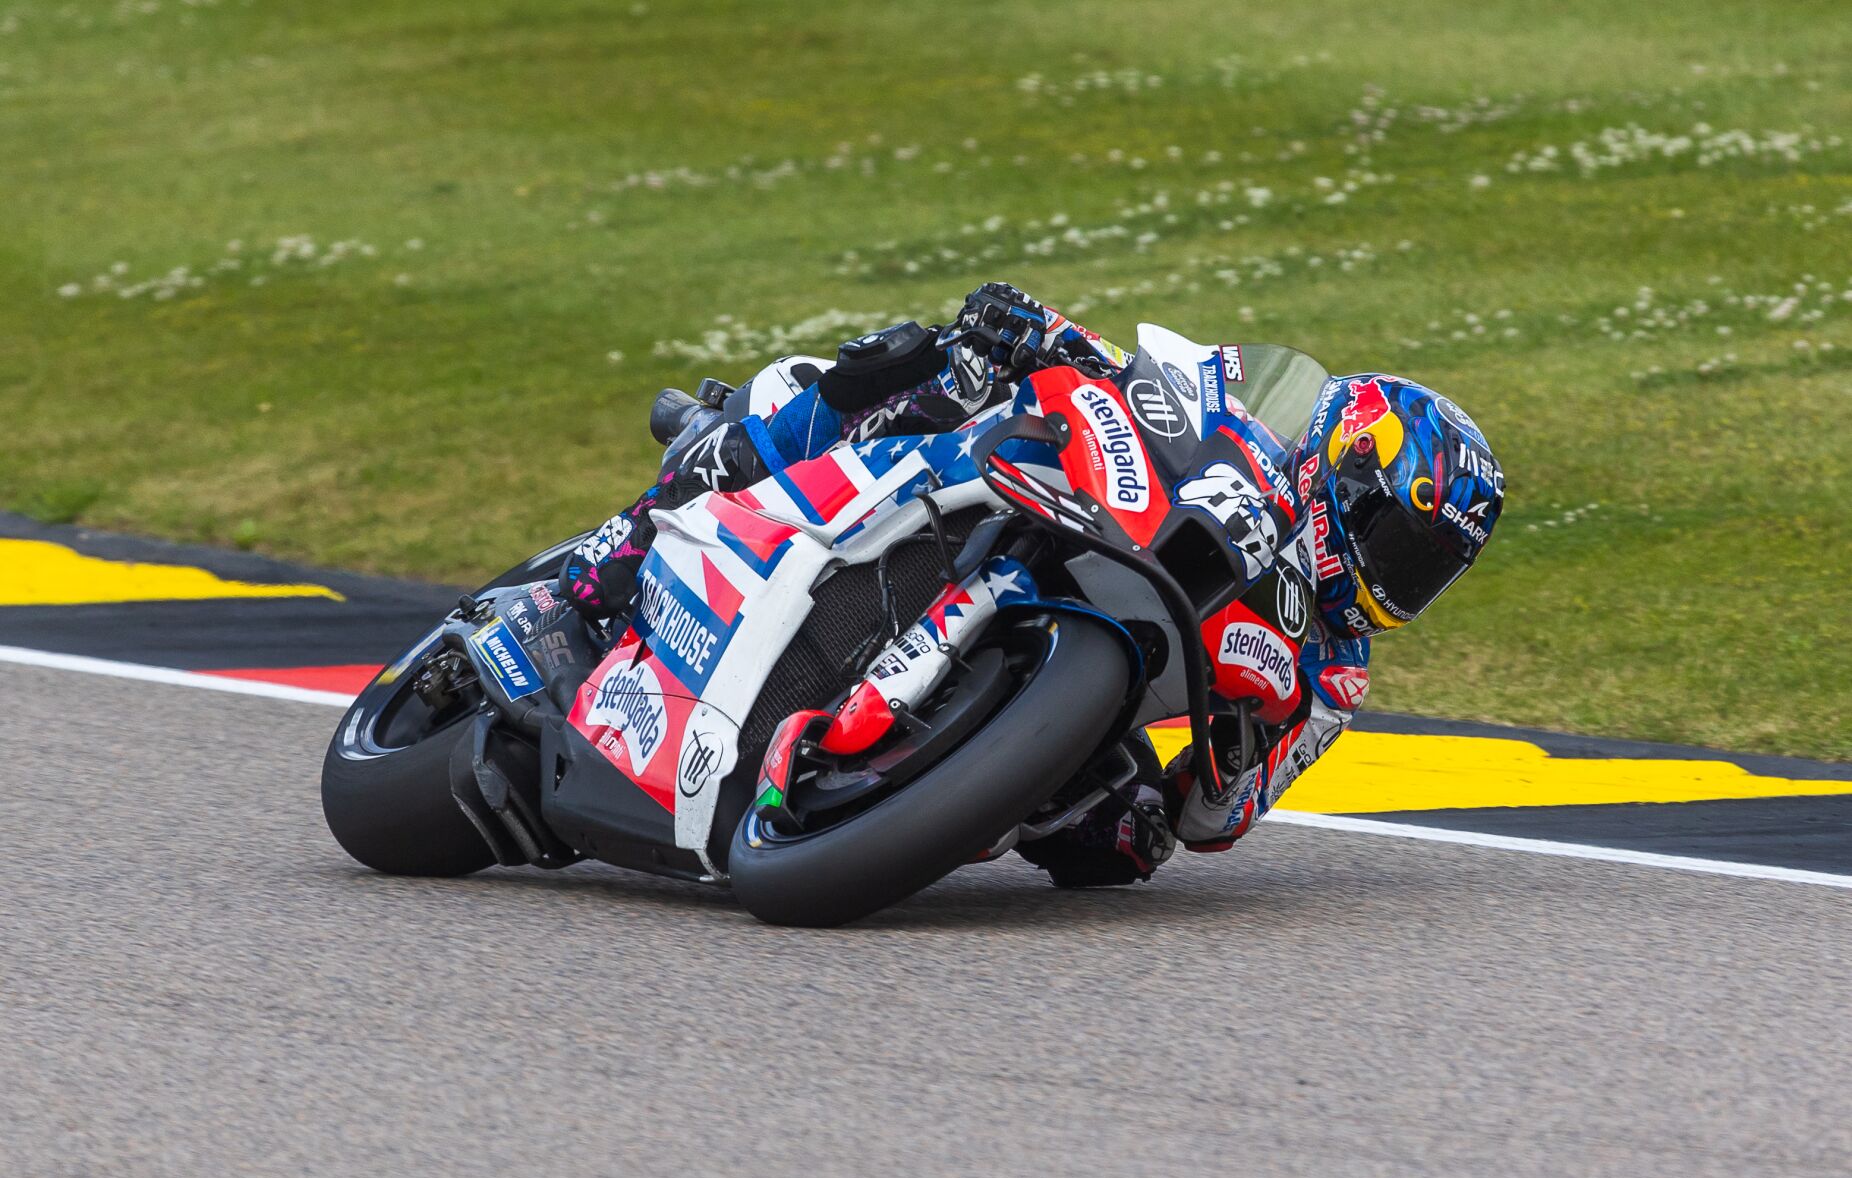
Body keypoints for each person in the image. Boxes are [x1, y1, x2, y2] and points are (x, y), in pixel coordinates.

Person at [562, 283, 1506, 888]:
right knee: (918, 360)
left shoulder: (1334, 674)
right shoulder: (1237, 405)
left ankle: (902, 790)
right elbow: (1141, 380)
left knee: (1124, 841)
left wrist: (1233, 745)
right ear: (1343, 468)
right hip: (1080, 514)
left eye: (1427, 570)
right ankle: (632, 538)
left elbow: (1217, 817)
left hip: (1101, 679)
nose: (1398, 577)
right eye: (1397, 540)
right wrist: (1042, 330)